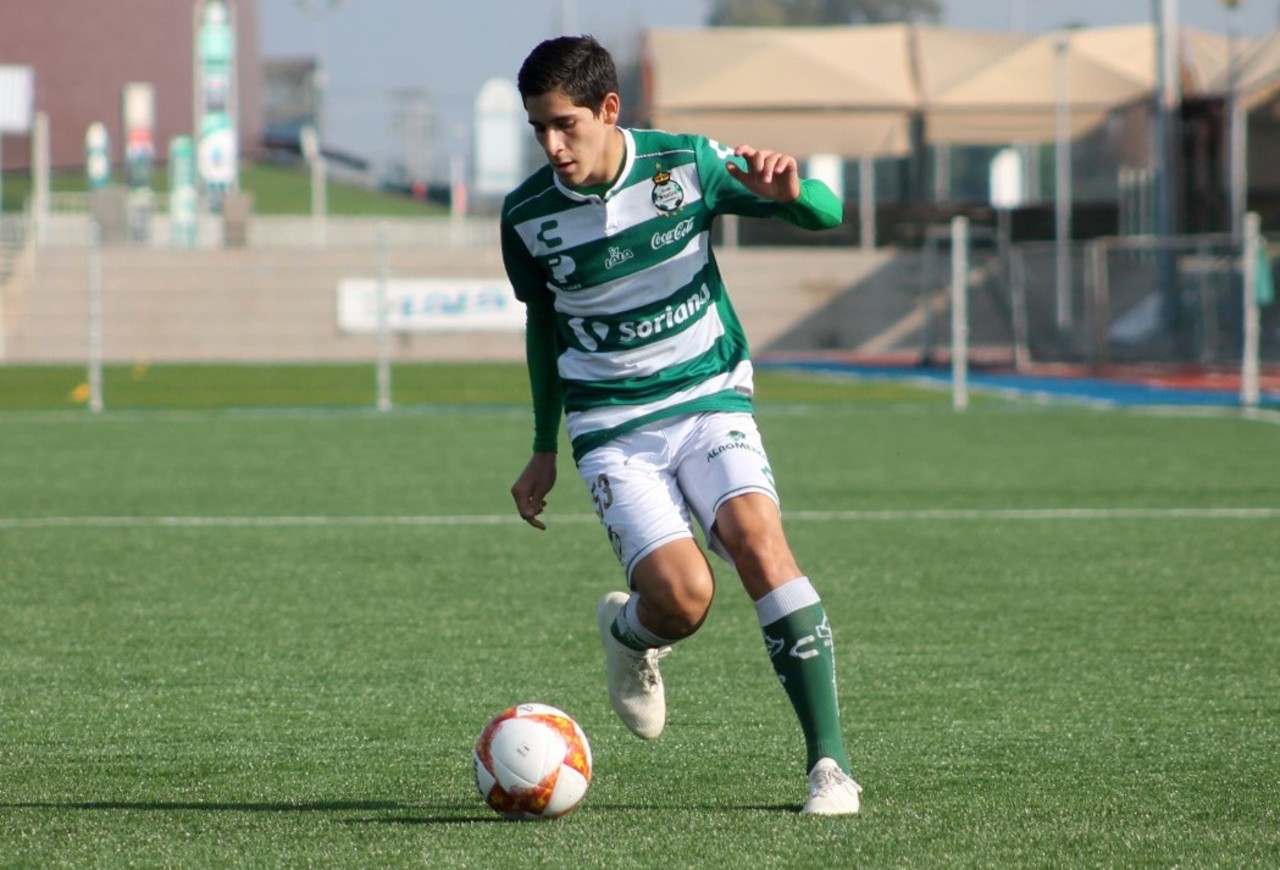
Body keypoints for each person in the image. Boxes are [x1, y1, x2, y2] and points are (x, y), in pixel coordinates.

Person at [502, 34, 861, 816]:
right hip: (612, 428)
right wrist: (541, 446)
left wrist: (790, 193)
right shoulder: (527, 216)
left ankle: (829, 766)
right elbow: (543, 325)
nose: (553, 145)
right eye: (539, 128)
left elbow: (829, 214)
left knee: (760, 543)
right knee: (685, 599)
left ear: (609, 108)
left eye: (565, 124)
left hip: (709, 399)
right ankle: (630, 633)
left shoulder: (685, 164)